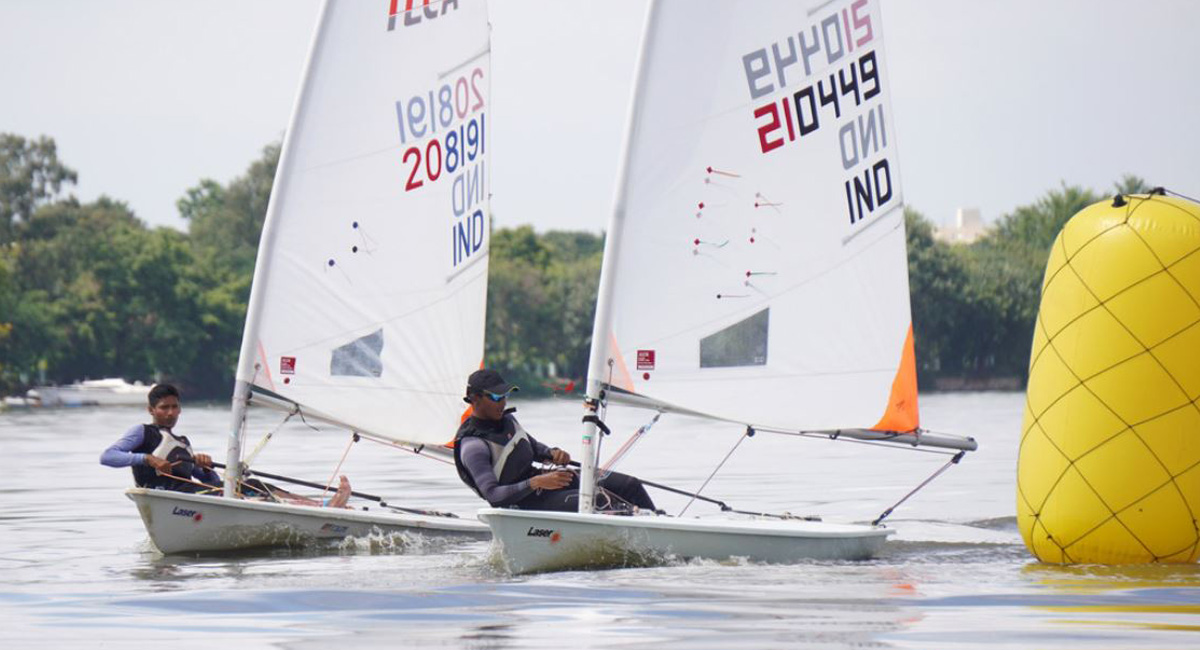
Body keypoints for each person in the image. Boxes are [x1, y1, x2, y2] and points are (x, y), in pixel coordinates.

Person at [101, 383, 351, 507]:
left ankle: (323, 506)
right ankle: (322, 507)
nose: (170, 412)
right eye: (164, 408)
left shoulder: (183, 443)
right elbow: (108, 456)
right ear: (151, 410)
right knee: (245, 493)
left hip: (193, 496)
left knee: (250, 484)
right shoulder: (142, 432)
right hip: (165, 498)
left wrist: (205, 466)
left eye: (174, 407)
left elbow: (212, 482)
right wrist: (146, 459)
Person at [453, 369, 656, 513]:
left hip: (545, 483)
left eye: (505, 395)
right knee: (597, 499)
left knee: (630, 485)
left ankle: (663, 525)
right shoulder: (473, 447)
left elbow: (533, 447)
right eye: (497, 397)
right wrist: (536, 482)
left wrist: (552, 452)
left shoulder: (507, 420)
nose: (504, 402)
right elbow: (493, 496)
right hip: (523, 503)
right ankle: (645, 530)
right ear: (475, 399)